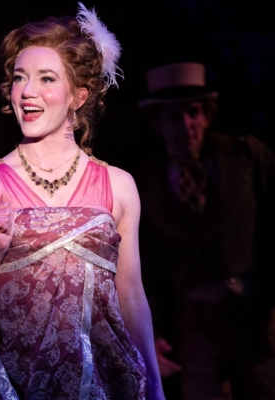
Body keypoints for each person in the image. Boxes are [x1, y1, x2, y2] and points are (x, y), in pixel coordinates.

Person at [0, 4, 164, 399]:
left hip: (99, 380)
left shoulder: (118, 186)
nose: (27, 92)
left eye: (46, 79)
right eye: (19, 79)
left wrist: (153, 383)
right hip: (12, 382)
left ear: (78, 96)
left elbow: (131, 294)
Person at [136, 61, 275, 400]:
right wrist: (150, 333)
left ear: (207, 115)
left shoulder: (245, 155)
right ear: (157, 123)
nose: (184, 125)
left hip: (255, 310)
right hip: (196, 320)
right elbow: (145, 266)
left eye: (192, 112)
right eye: (172, 116)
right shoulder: (146, 182)